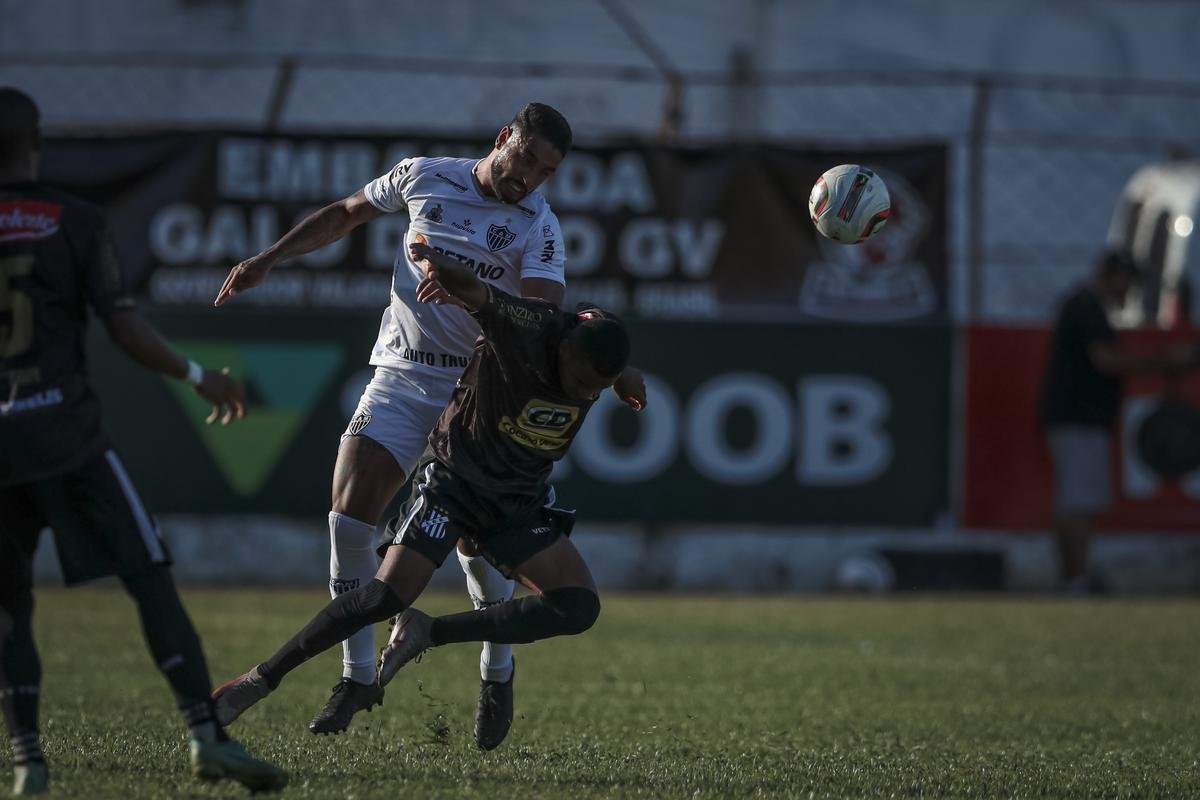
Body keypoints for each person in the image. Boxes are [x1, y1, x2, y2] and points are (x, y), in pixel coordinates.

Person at [213, 103, 645, 745]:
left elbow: (534, 319)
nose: (530, 177)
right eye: (526, 158)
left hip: (476, 391)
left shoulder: (540, 227)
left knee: (477, 551)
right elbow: (346, 213)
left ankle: (497, 666)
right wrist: (270, 259)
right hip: (404, 375)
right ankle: (358, 676)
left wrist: (476, 292)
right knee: (348, 518)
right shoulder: (423, 175)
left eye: (546, 171)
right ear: (505, 138)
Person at [0, 87, 287, 795]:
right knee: (149, 574)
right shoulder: (74, 221)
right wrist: (198, 375)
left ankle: (28, 762)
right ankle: (205, 736)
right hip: (67, 436)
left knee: (9, 609)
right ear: (39, 140)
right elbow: (124, 328)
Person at [1038, 248, 1197, 594]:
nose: (1127, 292)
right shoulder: (1087, 307)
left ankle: (1074, 576)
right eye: (1126, 282)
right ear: (1111, 276)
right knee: (1078, 502)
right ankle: (1075, 579)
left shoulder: (1085, 306)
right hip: (1078, 417)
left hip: (1078, 418)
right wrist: (1164, 361)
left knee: (1077, 500)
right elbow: (1107, 361)